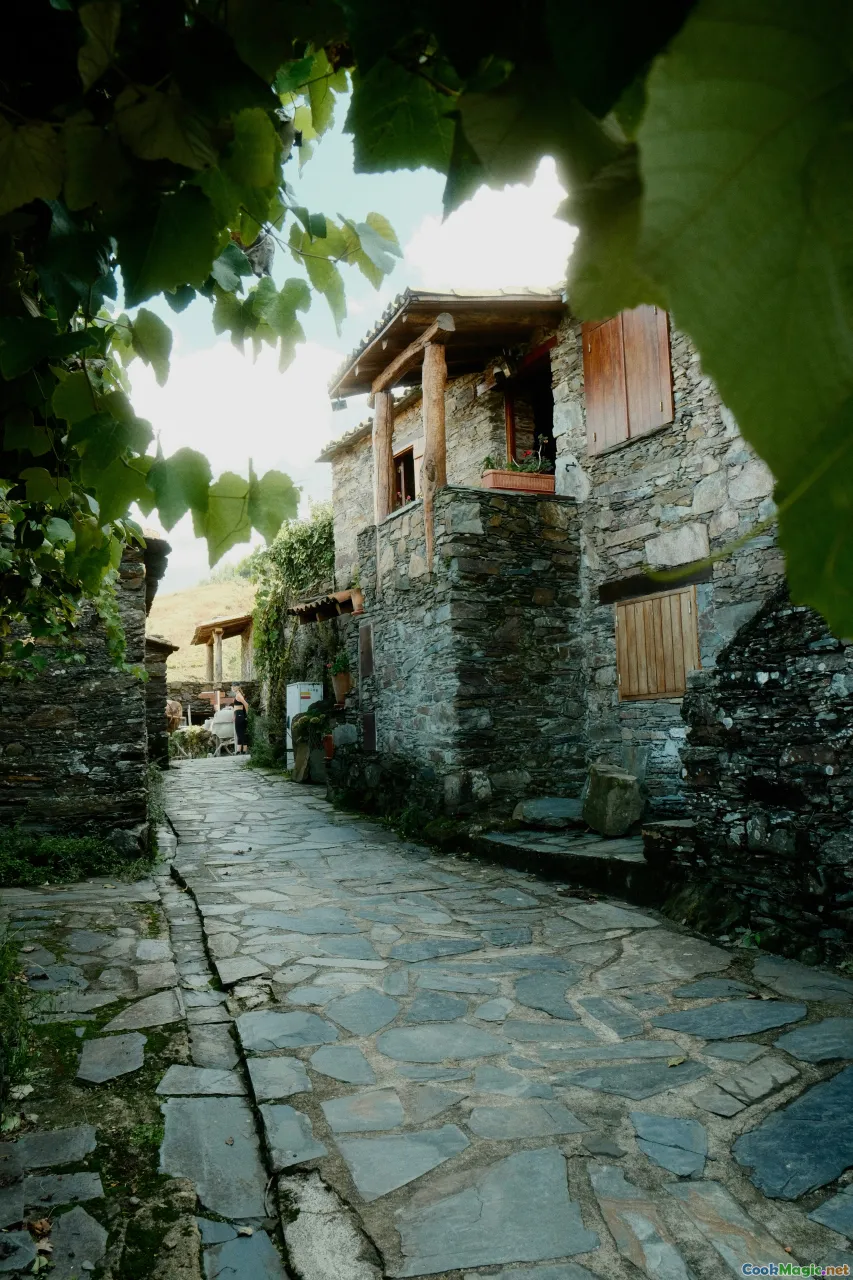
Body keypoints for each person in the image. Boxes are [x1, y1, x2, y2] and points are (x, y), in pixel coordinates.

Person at [231, 685, 249, 754]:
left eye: (233, 686)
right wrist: (234, 715)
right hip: (238, 715)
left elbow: (246, 704)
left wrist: (246, 715)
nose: (232, 688)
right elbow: (236, 707)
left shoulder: (238, 695)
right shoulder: (238, 695)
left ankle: (244, 750)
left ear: (237, 687)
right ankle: (238, 751)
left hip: (240, 715)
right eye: (232, 687)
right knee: (239, 733)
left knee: (241, 733)